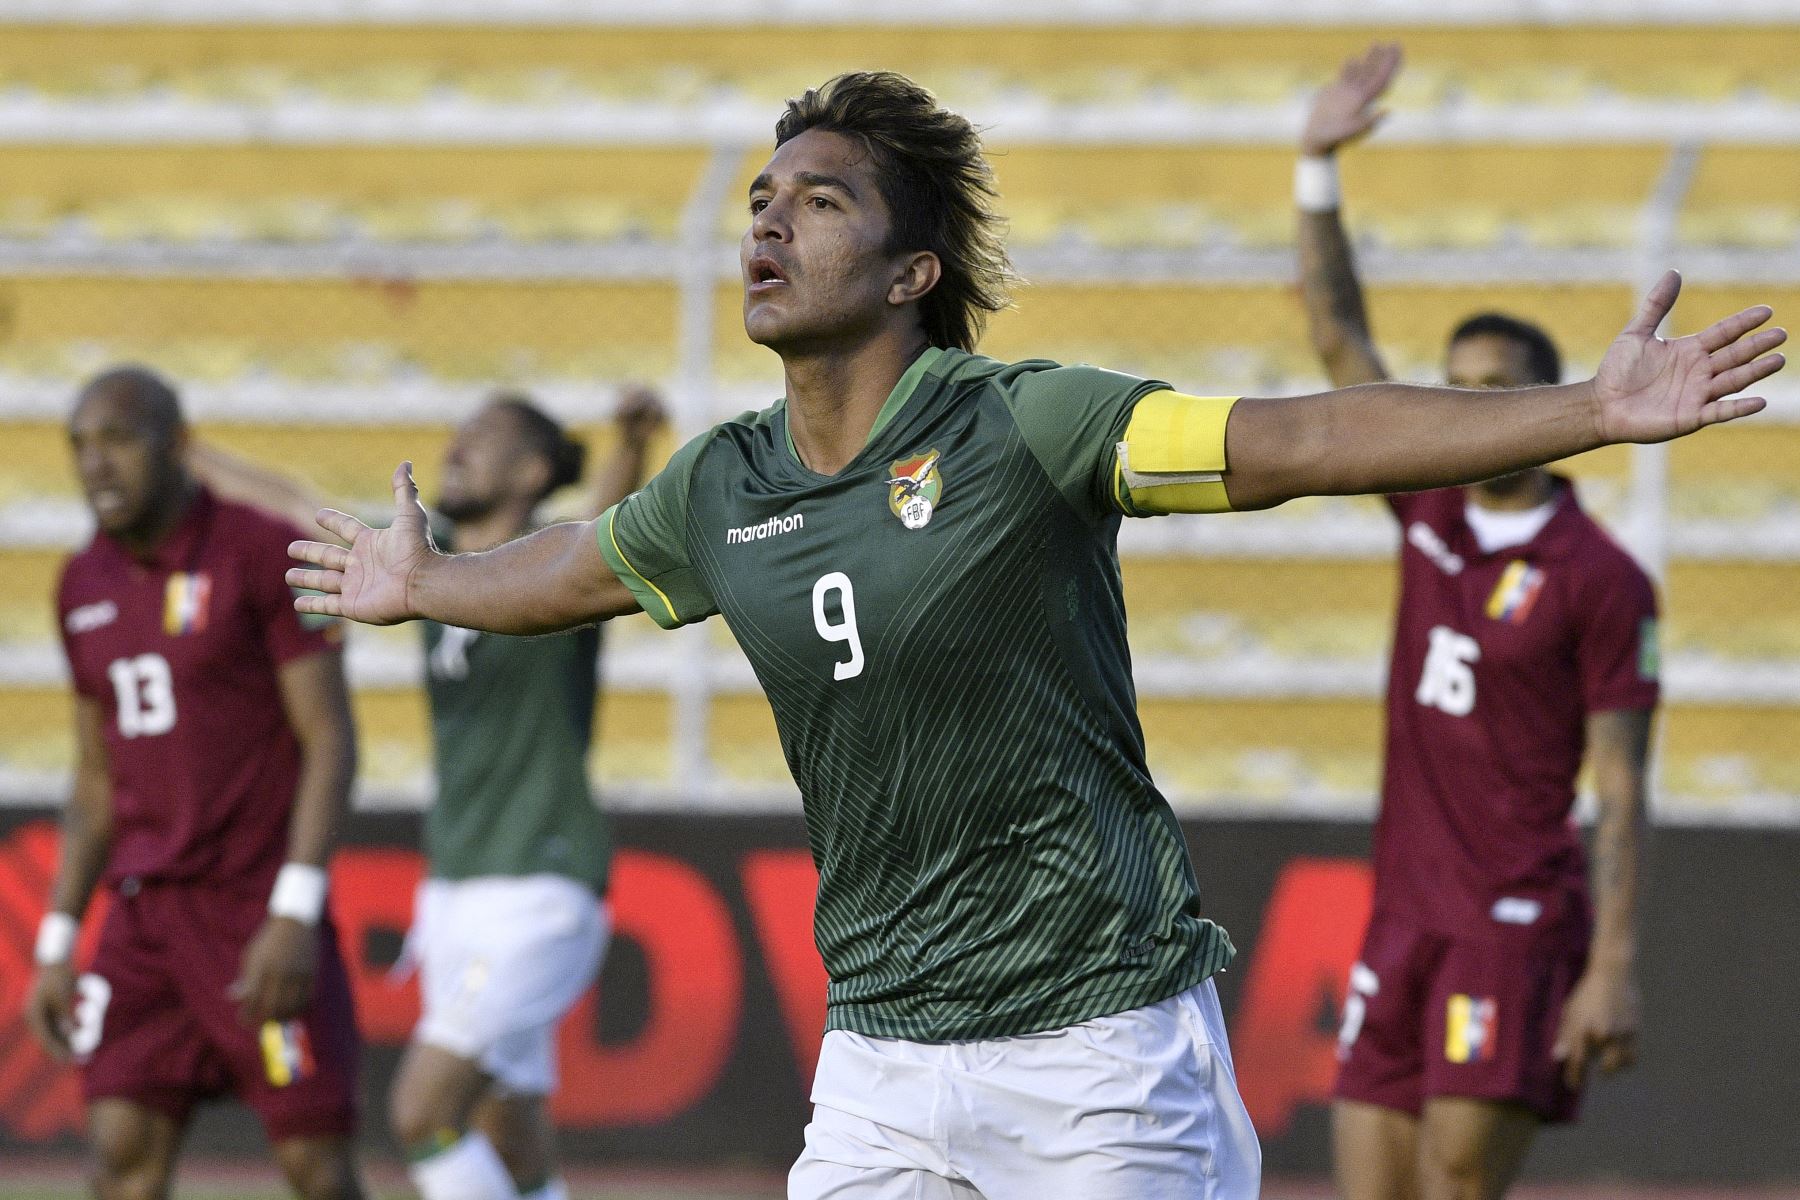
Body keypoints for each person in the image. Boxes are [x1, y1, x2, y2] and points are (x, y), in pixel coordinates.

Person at [284, 72, 1781, 1200]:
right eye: (759, 192)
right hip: (877, 1060)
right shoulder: (720, 485)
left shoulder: (1025, 424)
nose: (766, 218)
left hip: (1102, 1059)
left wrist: (1593, 410)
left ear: (908, 275)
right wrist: (422, 583)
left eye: (819, 201)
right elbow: (573, 568)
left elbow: (1306, 431)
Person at [1297, 45, 1669, 1200]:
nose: (1459, 410)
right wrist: (1315, 169)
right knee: (1369, 1185)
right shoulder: (1430, 510)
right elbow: (1340, 349)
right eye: (1450, 387)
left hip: (1512, 924)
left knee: (1459, 1185)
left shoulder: (1601, 576)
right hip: (1403, 912)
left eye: (1489, 390)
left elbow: (1621, 782)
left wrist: (1612, 963)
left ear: (1544, 408)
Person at [192, 385, 666, 1200]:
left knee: (422, 1111)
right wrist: (187, 453)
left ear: (531, 471)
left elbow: (607, 517)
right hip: (452, 892)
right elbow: (302, 509)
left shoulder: (554, 568)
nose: (456, 448)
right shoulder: (433, 563)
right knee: (506, 1131)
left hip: (540, 890)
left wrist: (630, 441)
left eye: (482, 439)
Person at [24, 366, 366, 1200]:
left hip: (254, 910)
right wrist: (58, 937)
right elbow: (96, 778)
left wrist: (294, 908)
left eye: (117, 440)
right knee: (118, 1160)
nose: (95, 463)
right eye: (79, 444)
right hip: (144, 922)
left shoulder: (255, 552)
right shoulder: (80, 585)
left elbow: (330, 741)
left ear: (177, 446)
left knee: (314, 1168)